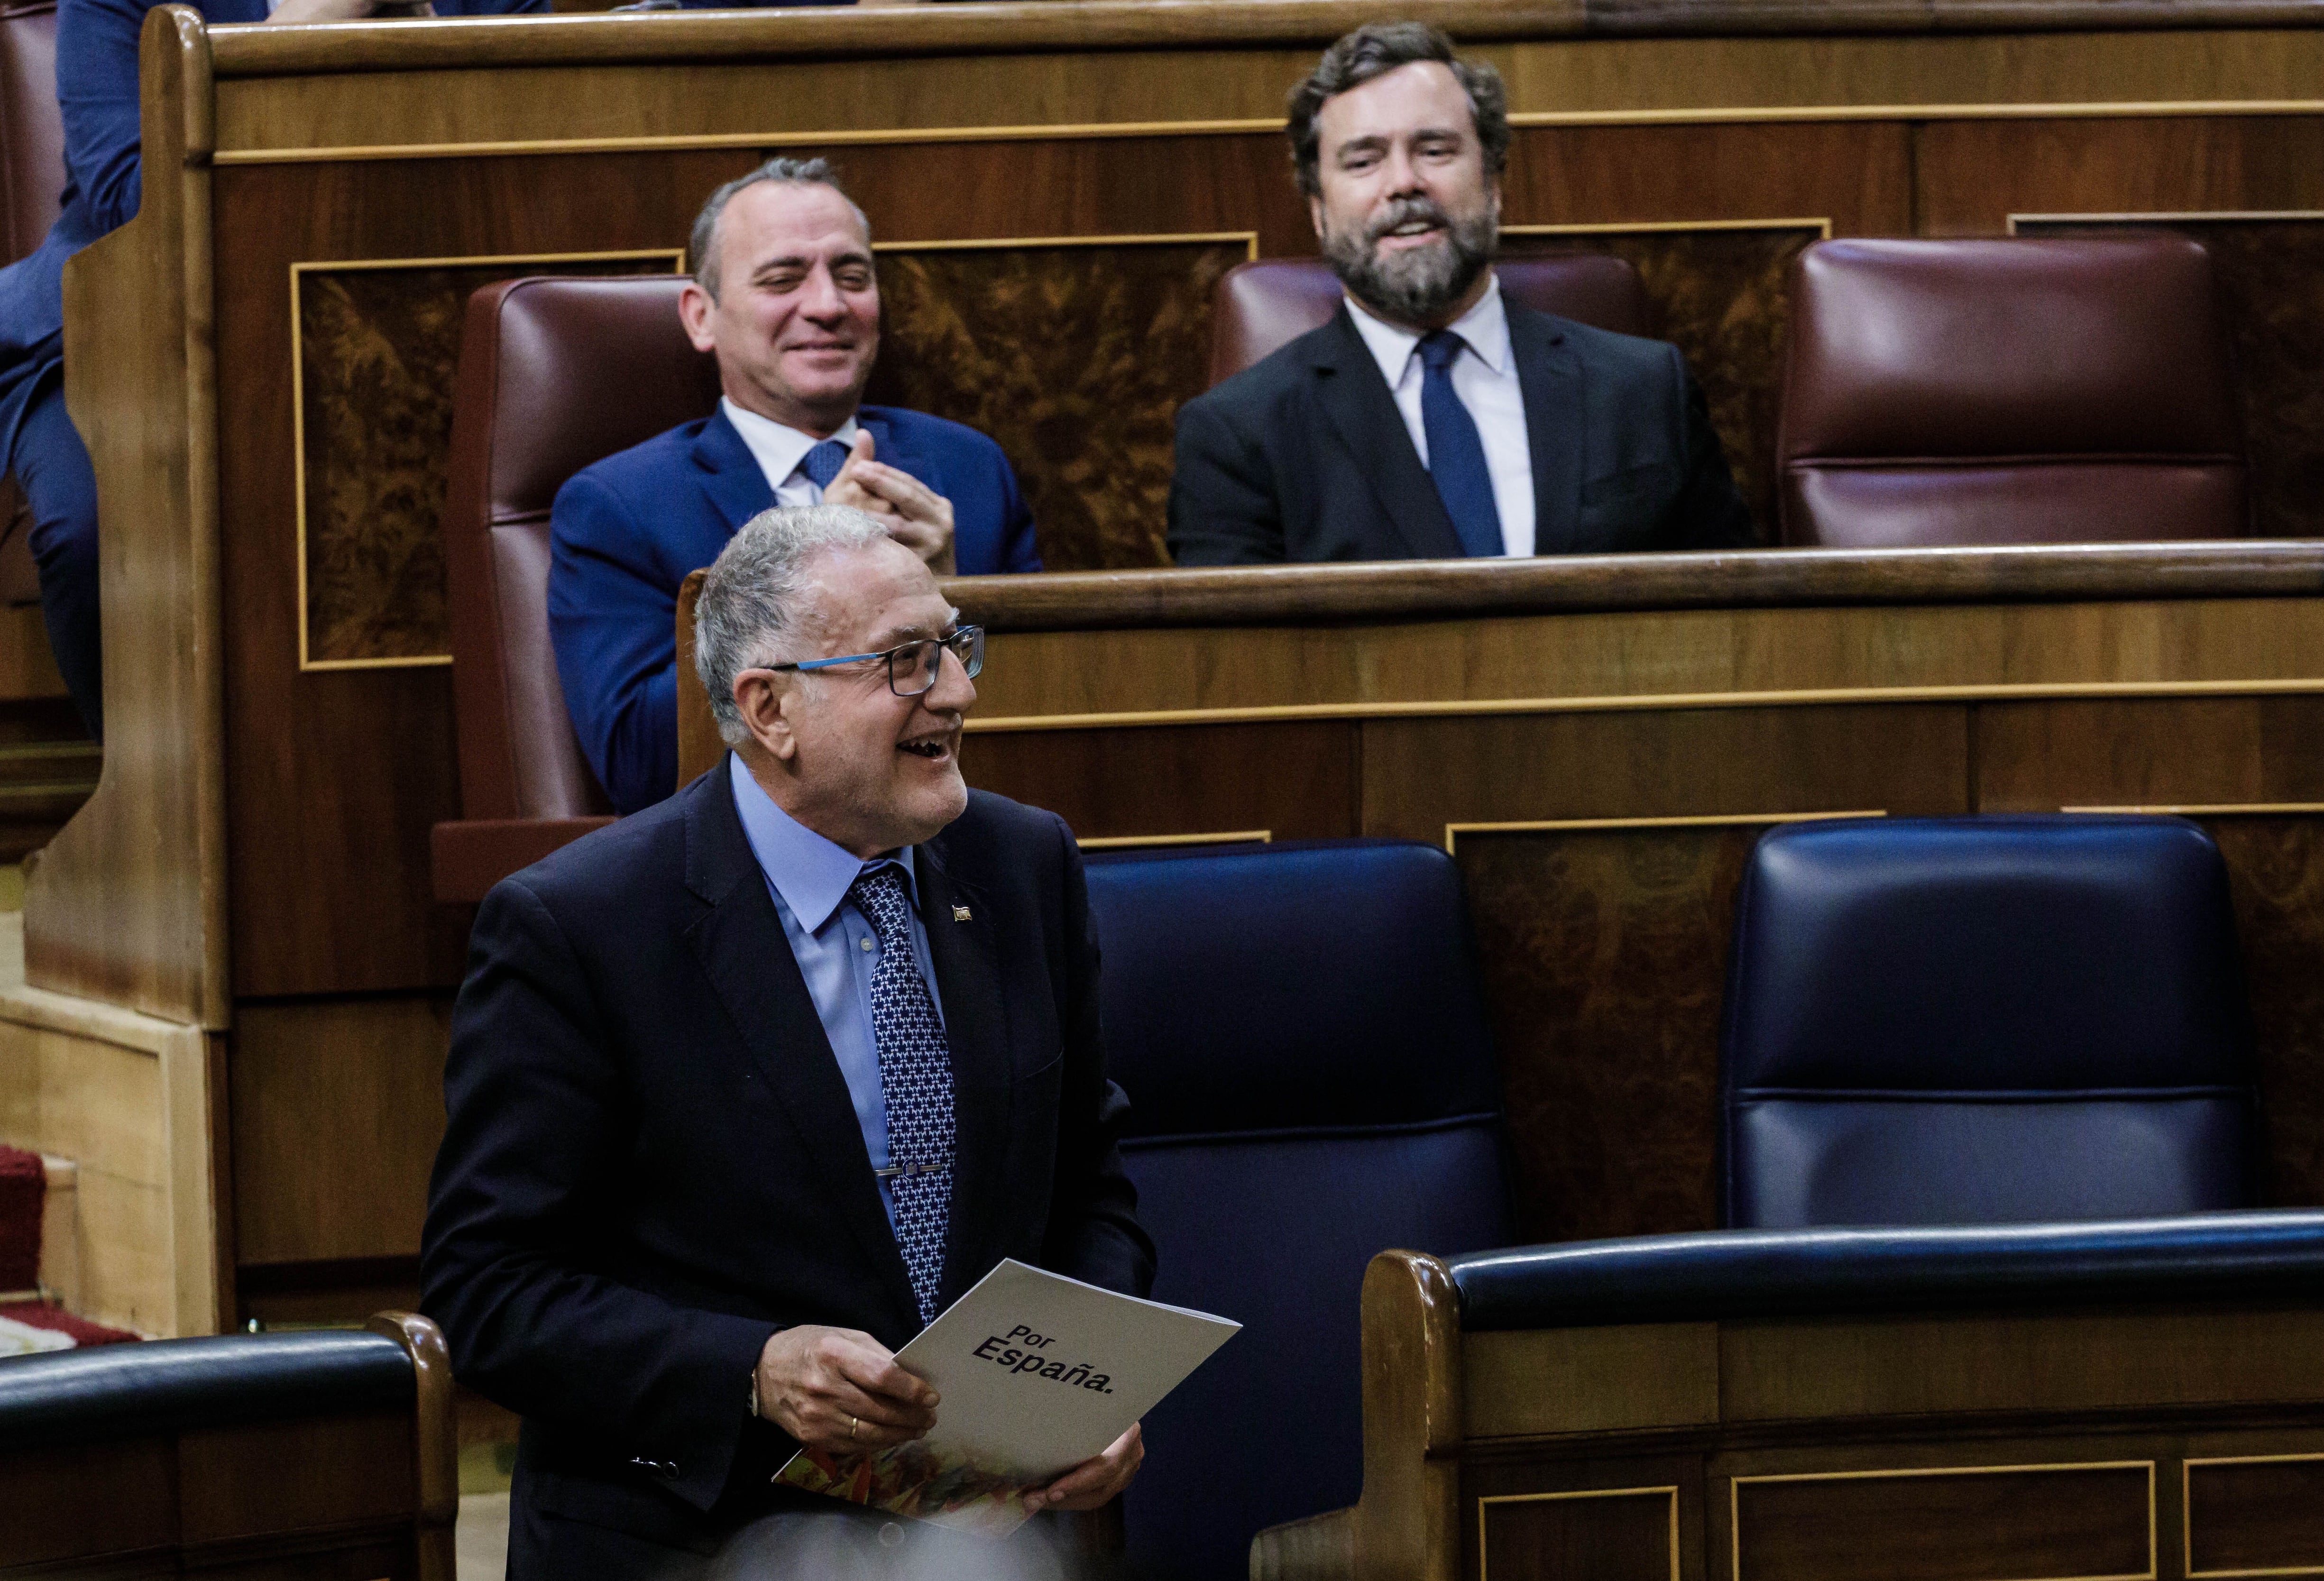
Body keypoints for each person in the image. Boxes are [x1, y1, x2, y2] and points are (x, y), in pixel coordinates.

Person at [423, 504, 1150, 1579]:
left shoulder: (1023, 866)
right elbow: (488, 1286)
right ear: (771, 707)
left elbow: (1093, 1190)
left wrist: (1092, 1389)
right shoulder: (581, 927)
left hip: (984, 1541)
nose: (956, 689)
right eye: (905, 661)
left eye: (953, 646)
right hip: (697, 1538)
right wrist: (750, 1370)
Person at [0, 0, 540, 742]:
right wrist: (306, 28)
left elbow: (541, 153)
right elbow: (132, 196)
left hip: (417, 309)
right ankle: (138, 808)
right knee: (95, 525)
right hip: (131, 320)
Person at [550, 158, 1042, 816]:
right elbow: (641, 765)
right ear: (701, 315)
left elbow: (1052, 721)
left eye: (853, 277)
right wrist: (800, 577)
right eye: (784, 279)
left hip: (964, 853)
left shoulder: (969, 469)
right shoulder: (619, 507)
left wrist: (953, 603)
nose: (828, 305)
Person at [1165, 22, 1756, 566]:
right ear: (1318, 212)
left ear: (1493, 184)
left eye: (1434, 150)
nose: (1403, 183)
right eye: (1364, 160)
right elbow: (1236, 674)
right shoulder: (1236, 437)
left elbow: (1736, 635)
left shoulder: (1645, 391)